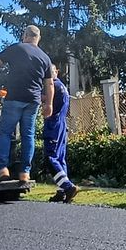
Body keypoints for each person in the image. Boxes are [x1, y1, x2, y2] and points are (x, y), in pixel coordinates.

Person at [0, 25, 53, 183]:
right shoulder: (45, 57)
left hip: (15, 98)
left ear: (25, 35)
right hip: (33, 101)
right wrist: (49, 105)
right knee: (28, 135)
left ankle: (1, 169)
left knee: (5, 133)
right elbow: (50, 84)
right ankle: (25, 173)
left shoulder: (18, 48)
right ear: (38, 38)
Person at [43, 63, 79, 203]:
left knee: (50, 158)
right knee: (60, 158)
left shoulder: (53, 87)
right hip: (62, 124)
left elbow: (43, 99)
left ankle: (67, 187)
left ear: (56, 72)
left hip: (53, 124)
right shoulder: (63, 86)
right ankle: (62, 191)